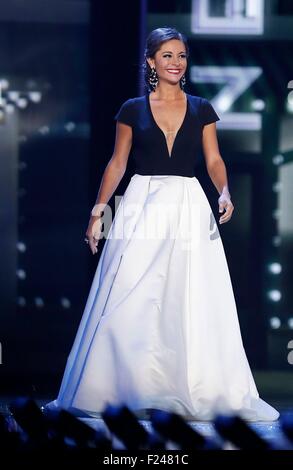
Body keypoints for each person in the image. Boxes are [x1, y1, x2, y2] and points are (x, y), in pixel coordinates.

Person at [46, 27, 279, 422]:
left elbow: (214, 160)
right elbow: (117, 163)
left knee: (190, 294)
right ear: (152, 61)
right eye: (168, 55)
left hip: (189, 204)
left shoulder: (202, 108)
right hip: (141, 203)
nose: (176, 62)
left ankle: (190, 386)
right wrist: (98, 210)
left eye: (182, 55)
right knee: (129, 292)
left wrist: (223, 191)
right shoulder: (131, 109)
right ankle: (115, 387)